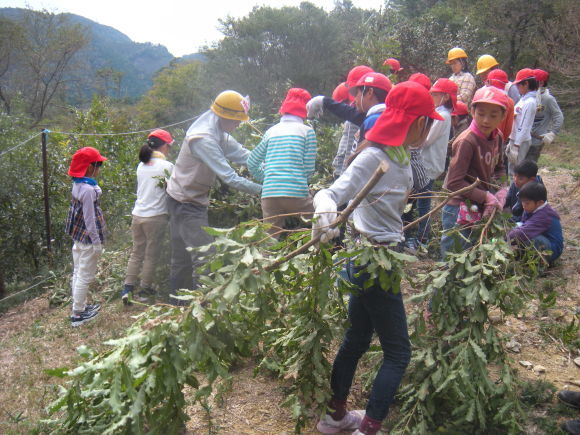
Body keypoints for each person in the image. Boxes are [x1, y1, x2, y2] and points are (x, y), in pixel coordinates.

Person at [312, 81, 442, 435]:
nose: (430, 128)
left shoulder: (399, 155)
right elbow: (334, 191)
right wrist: (324, 206)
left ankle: (335, 416)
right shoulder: (375, 156)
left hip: (370, 258)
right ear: (415, 122)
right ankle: (369, 428)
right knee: (399, 353)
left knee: (356, 337)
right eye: (426, 121)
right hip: (375, 262)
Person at [165, 90, 261, 295]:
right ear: (224, 116)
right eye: (236, 121)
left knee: (183, 255)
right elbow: (230, 177)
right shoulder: (204, 138)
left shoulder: (218, 128)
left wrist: (271, 168)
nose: (238, 125)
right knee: (205, 256)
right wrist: (265, 189)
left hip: (186, 197)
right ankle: (201, 304)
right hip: (186, 202)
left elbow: (243, 155)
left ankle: (180, 302)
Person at [441, 86, 509, 257]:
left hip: (478, 204)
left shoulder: (498, 137)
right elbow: (454, 182)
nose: (486, 120)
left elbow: (499, 167)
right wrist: (485, 196)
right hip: (458, 207)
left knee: (472, 253)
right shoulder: (467, 141)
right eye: (481, 114)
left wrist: (502, 188)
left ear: (503, 116)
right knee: (454, 256)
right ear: (472, 111)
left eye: (493, 115)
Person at [247, 88, 317, 238]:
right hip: (296, 193)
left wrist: (267, 179)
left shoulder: (271, 131)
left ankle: (267, 260)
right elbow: (309, 169)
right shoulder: (307, 132)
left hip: (269, 195)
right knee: (322, 223)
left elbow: (252, 162)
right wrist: (301, 182)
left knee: (269, 239)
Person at [121, 129, 175, 304]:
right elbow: (173, 191)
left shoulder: (141, 165)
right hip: (155, 217)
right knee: (151, 254)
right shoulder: (167, 167)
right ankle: (144, 290)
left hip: (137, 215)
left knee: (137, 253)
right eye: (169, 147)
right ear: (165, 146)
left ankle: (127, 288)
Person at [65, 147, 107, 326]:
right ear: (90, 167)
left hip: (79, 237)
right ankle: (78, 315)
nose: (100, 169)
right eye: (98, 165)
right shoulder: (88, 190)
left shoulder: (79, 184)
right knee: (84, 275)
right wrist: (97, 243)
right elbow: (90, 219)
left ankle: (79, 307)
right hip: (89, 239)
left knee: (77, 272)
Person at [412, 78, 456, 244]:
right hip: (428, 163)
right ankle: (419, 235)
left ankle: (422, 238)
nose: (432, 97)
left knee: (423, 202)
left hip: (428, 165)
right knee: (420, 200)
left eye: (435, 95)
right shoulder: (442, 113)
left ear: (445, 97)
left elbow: (427, 140)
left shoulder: (441, 115)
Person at [329, 66, 374, 179]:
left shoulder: (366, 118)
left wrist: (343, 172)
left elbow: (351, 149)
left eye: (356, 93)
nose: (354, 99)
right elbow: (345, 144)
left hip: (353, 175)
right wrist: (338, 165)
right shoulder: (354, 113)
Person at [507, 182, 563, 264]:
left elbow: (522, 232)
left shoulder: (545, 215)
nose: (523, 205)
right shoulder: (531, 208)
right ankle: (526, 255)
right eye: (522, 202)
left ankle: (540, 262)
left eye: (526, 203)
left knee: (526, 236)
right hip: (542, 238)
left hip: (551, 250)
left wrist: (502, 240)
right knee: (517, 228)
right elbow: (523, 224)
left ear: (539, 202)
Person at [506, 69, 538, 175]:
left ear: (526, 84)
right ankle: (509, 189)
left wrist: (516, 145)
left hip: (520, 141)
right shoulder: (523, 99)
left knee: (517, 170)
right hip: (514, 138)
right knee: (510, 168)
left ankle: (517, 190)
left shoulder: (530, 102)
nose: (518, 88)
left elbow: (523, 125)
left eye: (519, 85)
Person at [528, 68, 564, 163]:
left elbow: (558, 116)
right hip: (523, 139)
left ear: (541, 83)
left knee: (528, 167)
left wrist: (553, 132)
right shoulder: (526, 96)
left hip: (536, 140)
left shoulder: (548, 99)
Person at [485, 69, 515, 141]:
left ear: (489, 81)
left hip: (481, 139)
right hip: (498, 141)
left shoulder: (484, 96)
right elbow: (508, 128)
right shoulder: (510, 101)